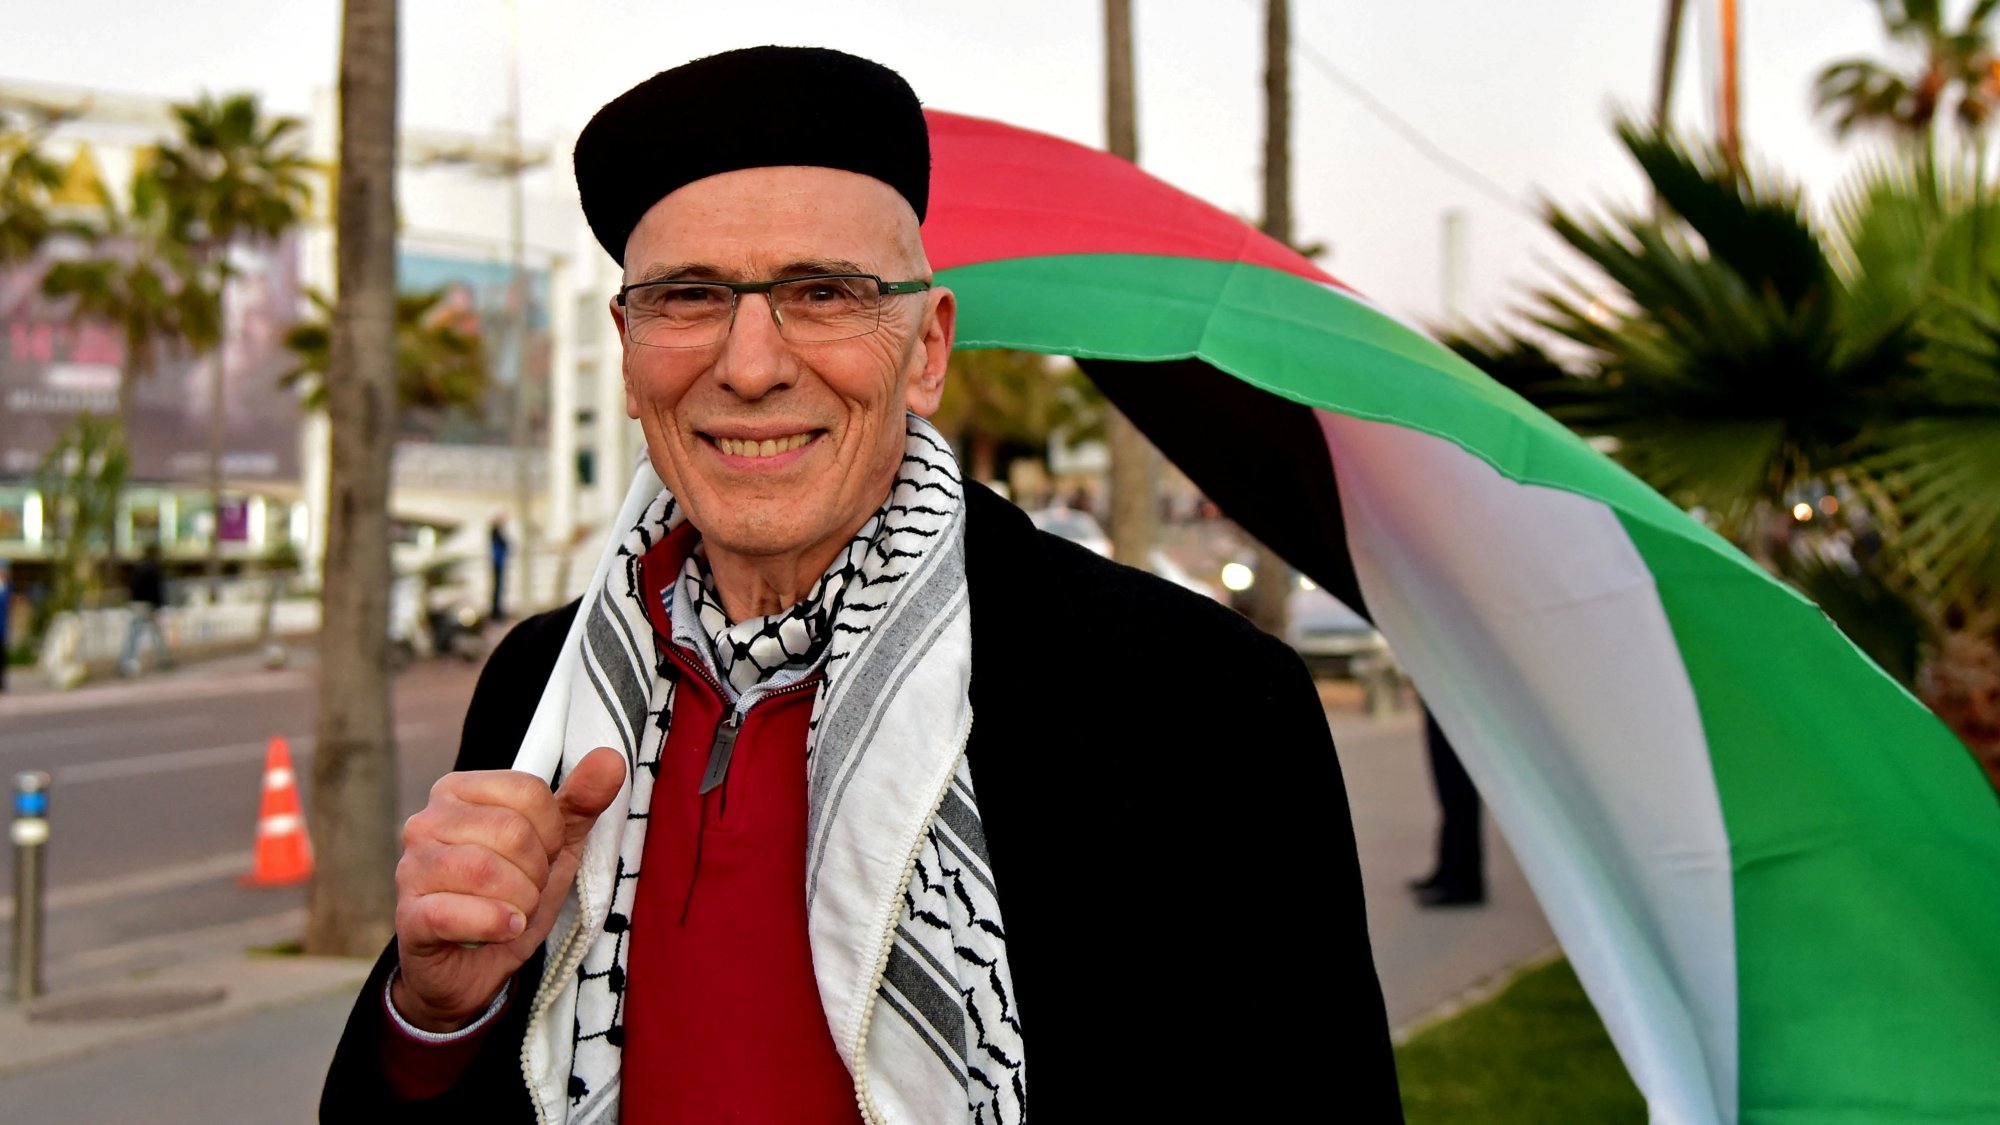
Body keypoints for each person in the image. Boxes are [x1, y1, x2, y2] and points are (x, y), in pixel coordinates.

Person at [322, 46, 1399, 1123]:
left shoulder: (1193, 703)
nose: (749, 365)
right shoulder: (540, 685)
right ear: (626, 347)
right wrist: (437, 1014)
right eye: (688, 297)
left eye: (820, 293)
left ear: (925, 349)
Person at [1410, 705, 1485, 907]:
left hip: (1457, 703)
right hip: (1442, 699)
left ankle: (1462, 880)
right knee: (1448, 787)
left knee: (1456, 786)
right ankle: (1449, 869)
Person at [119, 542, 171, 676]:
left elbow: (132, 587)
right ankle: (162, 660)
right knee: (156, 634)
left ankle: (126, 662)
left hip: (137, 604)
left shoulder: (138, 567)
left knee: (135, 635)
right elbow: (157, 589)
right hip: (149, 605)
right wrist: (159, 605)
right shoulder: (153, 568)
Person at [488, 515, 510, 622]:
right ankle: (496, 613)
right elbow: (505, 544)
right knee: (498, 588)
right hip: (498, 562)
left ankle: (497, 611)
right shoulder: (496, 532)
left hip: (499, 562)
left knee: (498, 588)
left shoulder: (495, 532)